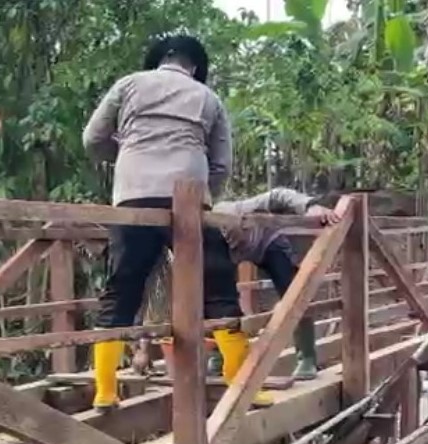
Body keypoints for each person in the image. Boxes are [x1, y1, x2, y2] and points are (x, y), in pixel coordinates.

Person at [84, 33, 264, 409]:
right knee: (217, 287)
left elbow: (93, 139)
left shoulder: (128, 84)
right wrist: (206, 196)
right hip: (189, 199)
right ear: (194, 67)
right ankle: (241, 384)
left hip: (133, 196)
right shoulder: (208, 97)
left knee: (122, 288)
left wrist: (130, 155)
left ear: (159, 59)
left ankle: (105, 390)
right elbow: (222, 164)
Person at [207, 188, 345, 380]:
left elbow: (277, 196)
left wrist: (308, 205)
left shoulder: (233, 211)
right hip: (232, 256)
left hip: (268, 243)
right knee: (216, 298)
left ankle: (306, 357)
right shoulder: (201, 242)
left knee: (294, 292)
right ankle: (220, 353)